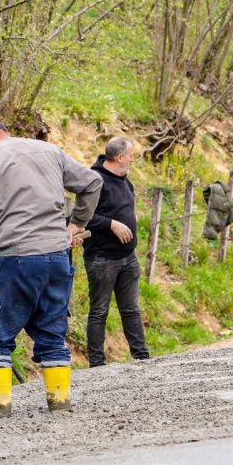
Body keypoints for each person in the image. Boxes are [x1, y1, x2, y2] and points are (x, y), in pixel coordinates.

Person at [0, 117, 103, 419]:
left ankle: (0, 411)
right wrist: (76, 225)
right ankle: (59, 404)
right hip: (57, 258)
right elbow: (92, 183)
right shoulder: (49, 151)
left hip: (15, 258)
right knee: (52, 334)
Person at [82, 136, 150, 368]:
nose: (132, 159)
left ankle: (142, 357)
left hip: (128, 257)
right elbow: (83, 217)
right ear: (120, 157)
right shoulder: (94, 181)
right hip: (102, 258)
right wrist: (111, 224)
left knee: (131, 309)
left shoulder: (125, 180)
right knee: (99, 311)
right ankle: (97, 364)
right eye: (131, 155)